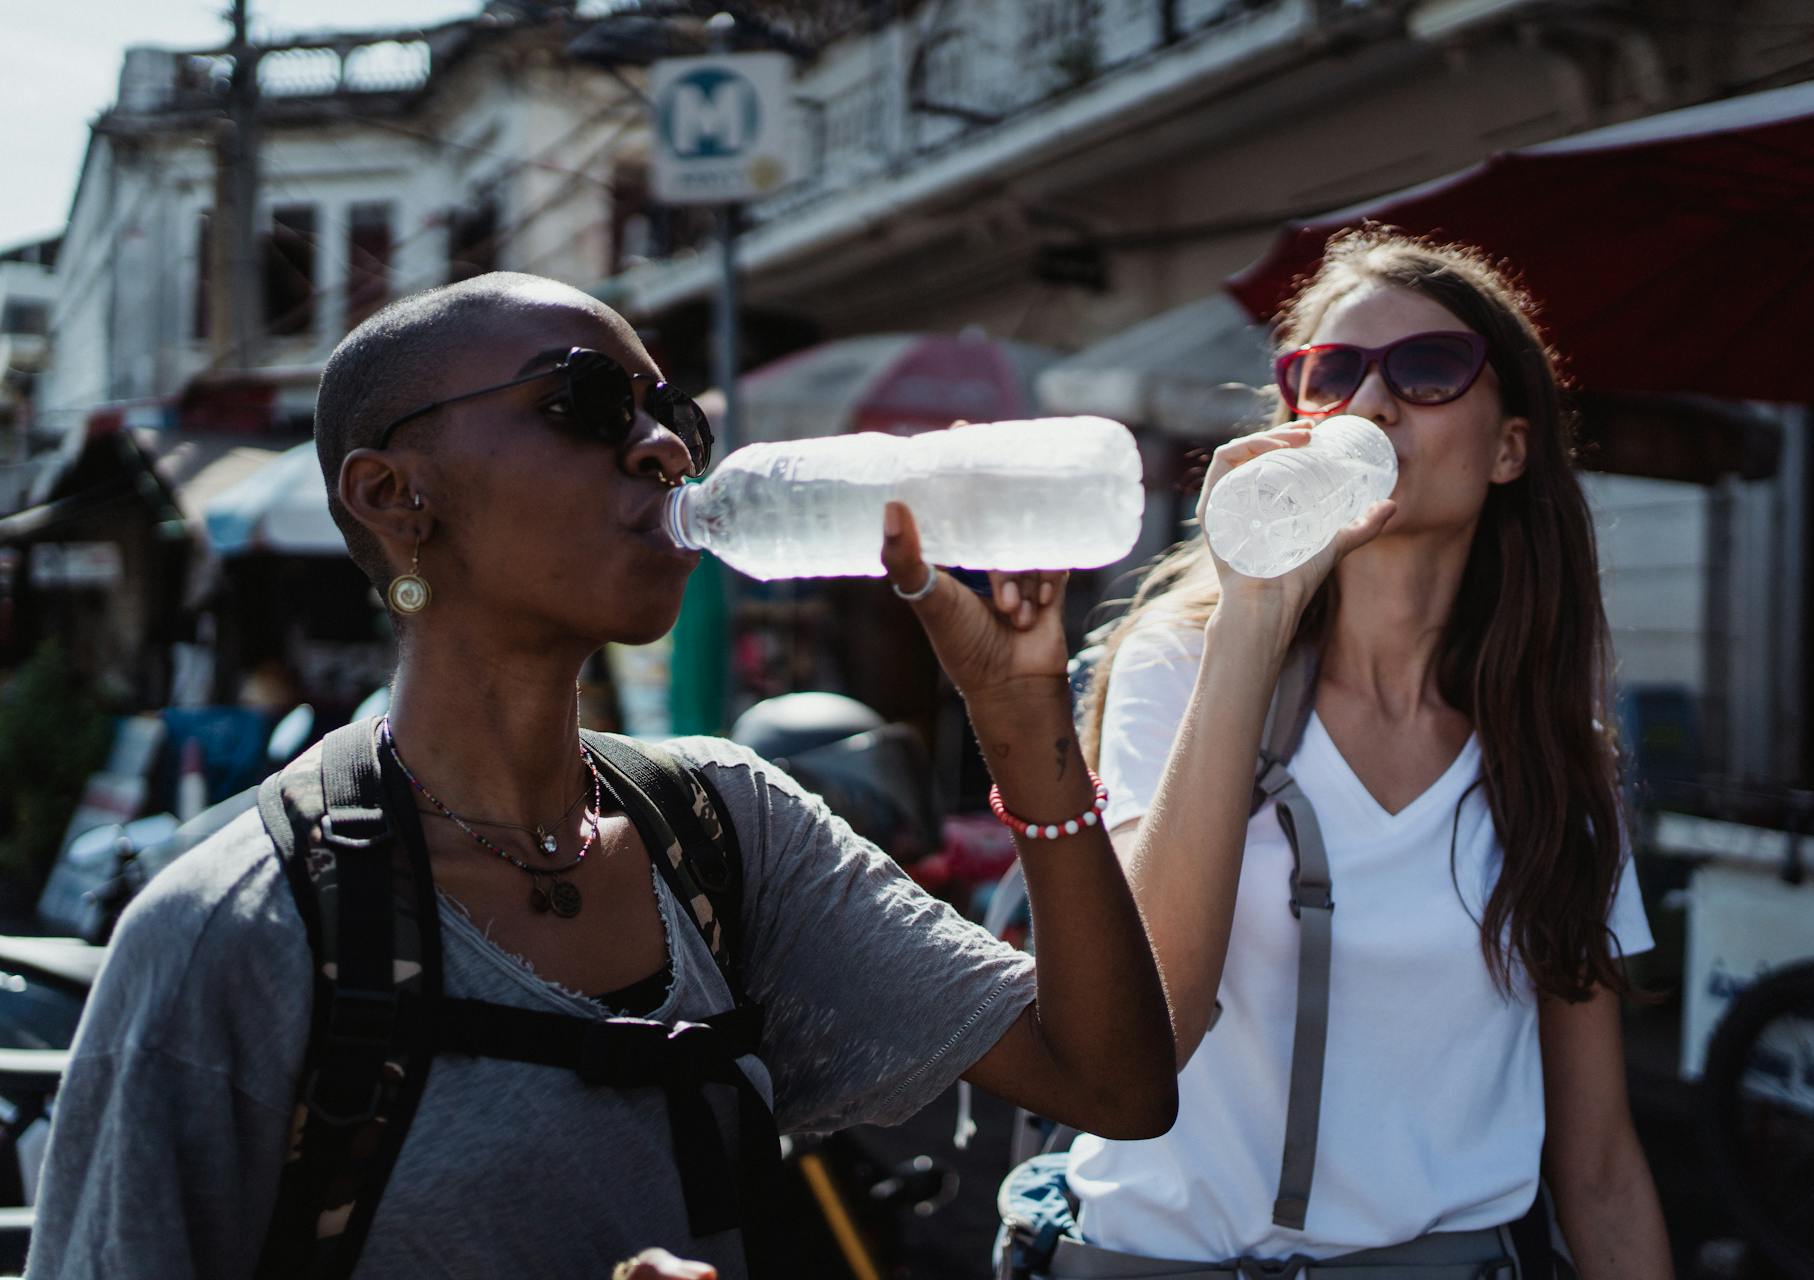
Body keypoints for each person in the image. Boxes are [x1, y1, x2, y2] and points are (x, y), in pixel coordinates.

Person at [26, 273, 1176, 1278]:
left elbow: (1114, 1084)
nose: (665, 447)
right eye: (583, 401)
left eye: (667, 411)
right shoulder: (236, 930)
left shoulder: (727, 827)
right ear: (392, 495)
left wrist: (1024, 727)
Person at [1059, 230, 1672, 1276]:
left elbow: (1600, 1158)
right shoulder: (1177, 665)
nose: (1374, 406)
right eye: (1331, 374)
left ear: (1511, 447)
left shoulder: (1552, 757)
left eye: (1428, 371)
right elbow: (1151, 1028)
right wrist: (1251, 615)